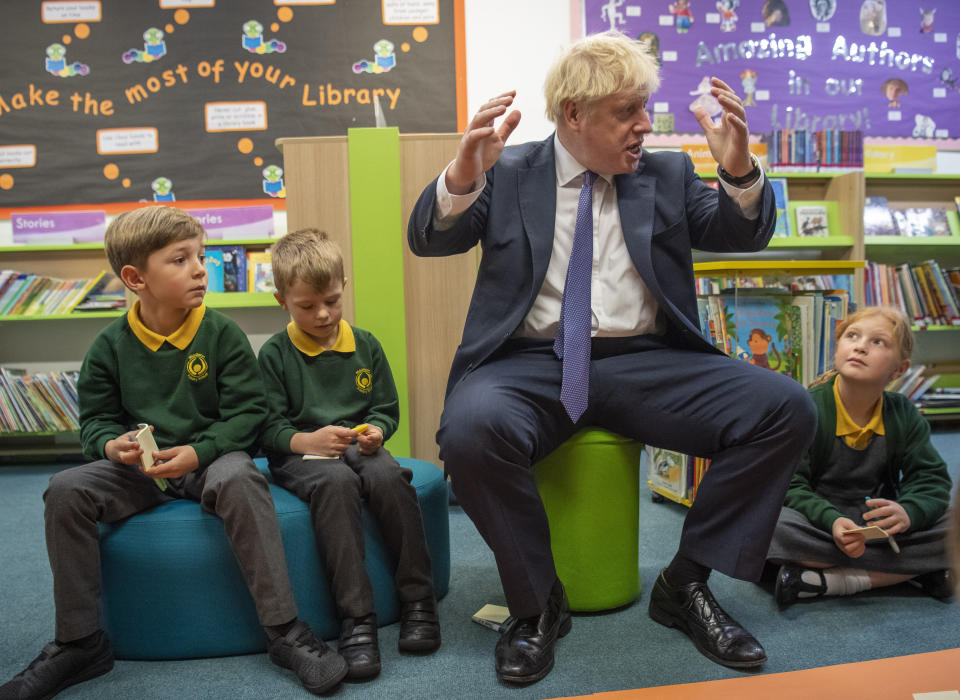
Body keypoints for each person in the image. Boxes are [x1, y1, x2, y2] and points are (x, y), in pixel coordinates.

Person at [407, 30, 817, 684]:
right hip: (529, 365)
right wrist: (463, 174)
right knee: (469, 430)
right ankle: (537, 605)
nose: (644, 126)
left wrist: (739, 170)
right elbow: (432, 238)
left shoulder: (669, 173)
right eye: (628, 111)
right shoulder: (509, 171)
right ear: (575, 115)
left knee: (785, 408)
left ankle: (685, 585)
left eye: (645, 110)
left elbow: (742, 230)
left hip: (647, 362)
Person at [0, 207, 348, 700]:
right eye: (180, 259)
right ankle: (80, 643)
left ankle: (285, 631)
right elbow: (94, 424)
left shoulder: (221, 334)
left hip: (210, 461)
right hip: (141, 473)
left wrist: (200, 450)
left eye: (200, 256)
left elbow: (249, 415)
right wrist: (110, 445)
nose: (200, 268)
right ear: (135, 278)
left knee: (241, 477)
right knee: (65, 489)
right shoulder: (108, 346)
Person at [257, 228, 440, 681]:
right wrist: (307, 441)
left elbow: (385, 408)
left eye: (332, 301)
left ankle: (418, 599)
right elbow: (267, 428)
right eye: (307, 306)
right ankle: (357, 620)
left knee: (388, 478)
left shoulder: (366, 344)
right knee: (336, 486)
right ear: (283, 301)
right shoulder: (275, 355)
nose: (323, 314)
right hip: (303, 456)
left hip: (360, 447)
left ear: (344, 288)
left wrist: (377, 429)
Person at [767, 307, 954, 606]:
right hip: (818, 521)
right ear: (838, 348)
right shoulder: (807, 408)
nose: (860, 345)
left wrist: (908, 512)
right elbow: (790, 486)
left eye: (878, 342)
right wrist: (831, 521)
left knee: (953, 523)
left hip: (878, 525)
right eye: (852, 336)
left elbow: (931, 480)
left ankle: (826, 580)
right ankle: (910, 572)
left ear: (899, 369)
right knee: (768, 523)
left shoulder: (902, 412)